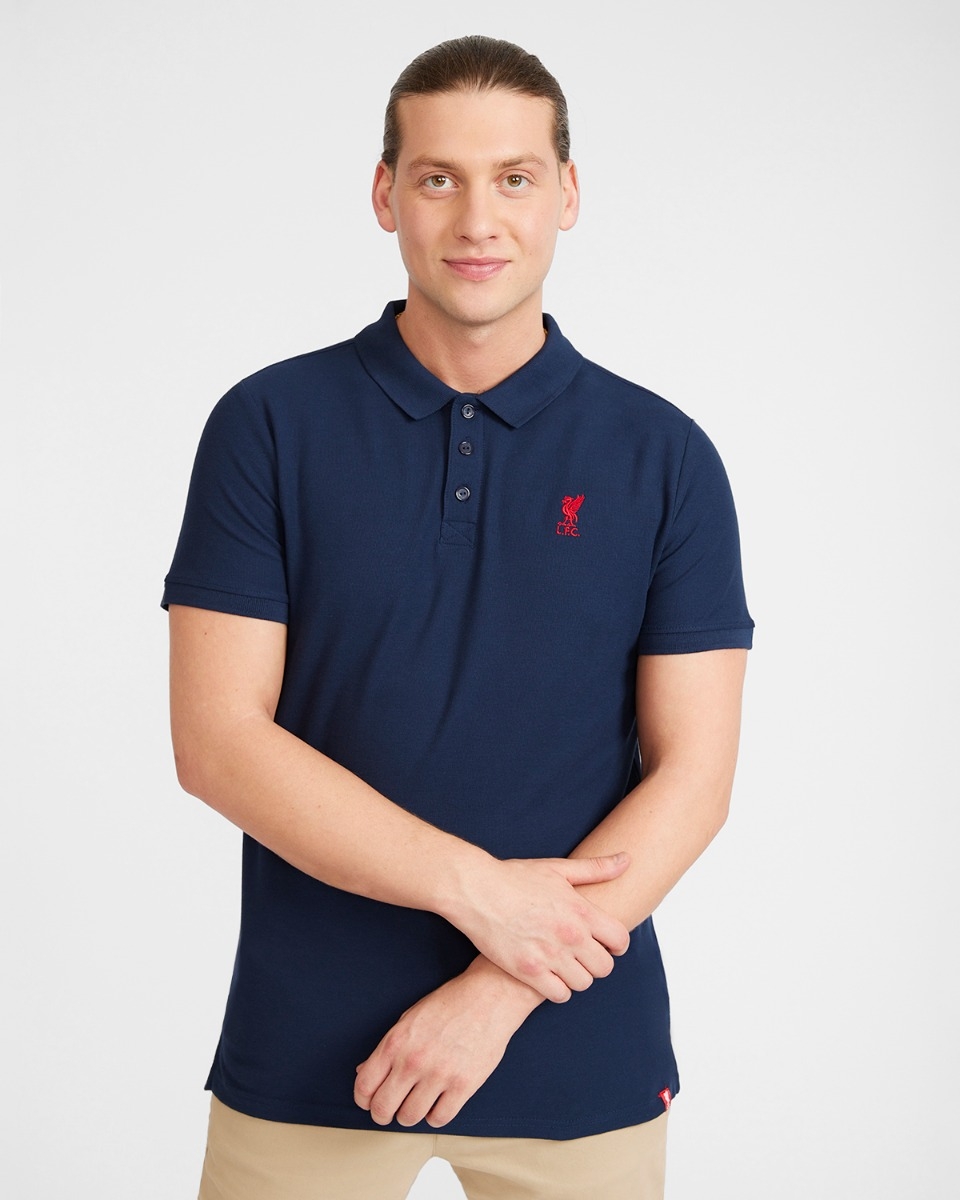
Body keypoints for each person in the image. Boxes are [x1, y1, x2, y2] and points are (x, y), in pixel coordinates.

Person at [163, 33, 753, 1200]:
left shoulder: (665, 456)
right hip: (309, 1049)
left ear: (566, 194)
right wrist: (482, 894)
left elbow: (695, 778)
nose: (479, 218)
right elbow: (218, 742)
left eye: (514, 177)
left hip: (574, 1042)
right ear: (387, 194)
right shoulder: (267, 426)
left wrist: (500, 987)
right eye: (440, 178)